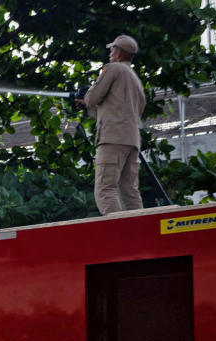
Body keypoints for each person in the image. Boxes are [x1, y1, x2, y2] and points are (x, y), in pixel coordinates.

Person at [76, 34, 146, 215]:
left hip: (112, 139)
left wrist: (86, 96)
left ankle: (120, 233)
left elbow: (93, 97)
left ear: (119, 53)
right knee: (129, 191)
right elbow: (120, 110)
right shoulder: (135, 80)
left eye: (112, 49)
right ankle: (138, 232)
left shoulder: (113, 69)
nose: (109, 52)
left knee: (105, 188)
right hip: (131, 140)